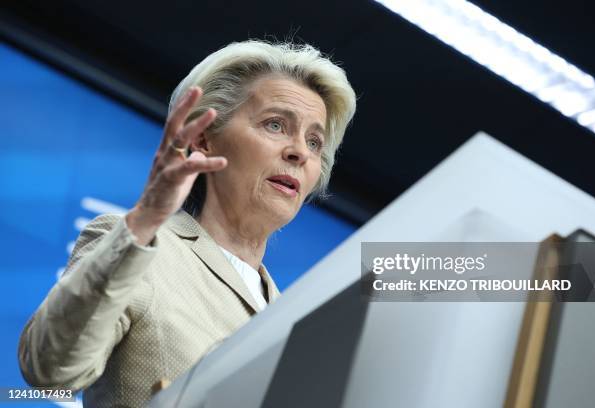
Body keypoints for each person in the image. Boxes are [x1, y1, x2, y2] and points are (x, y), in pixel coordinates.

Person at [18, 39, 356, 407]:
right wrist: (145, 219)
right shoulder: (141, 247)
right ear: (203, 139)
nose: (299, 153)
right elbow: (51, 368)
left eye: (314, 141)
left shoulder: (295, 320)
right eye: (275, 125)